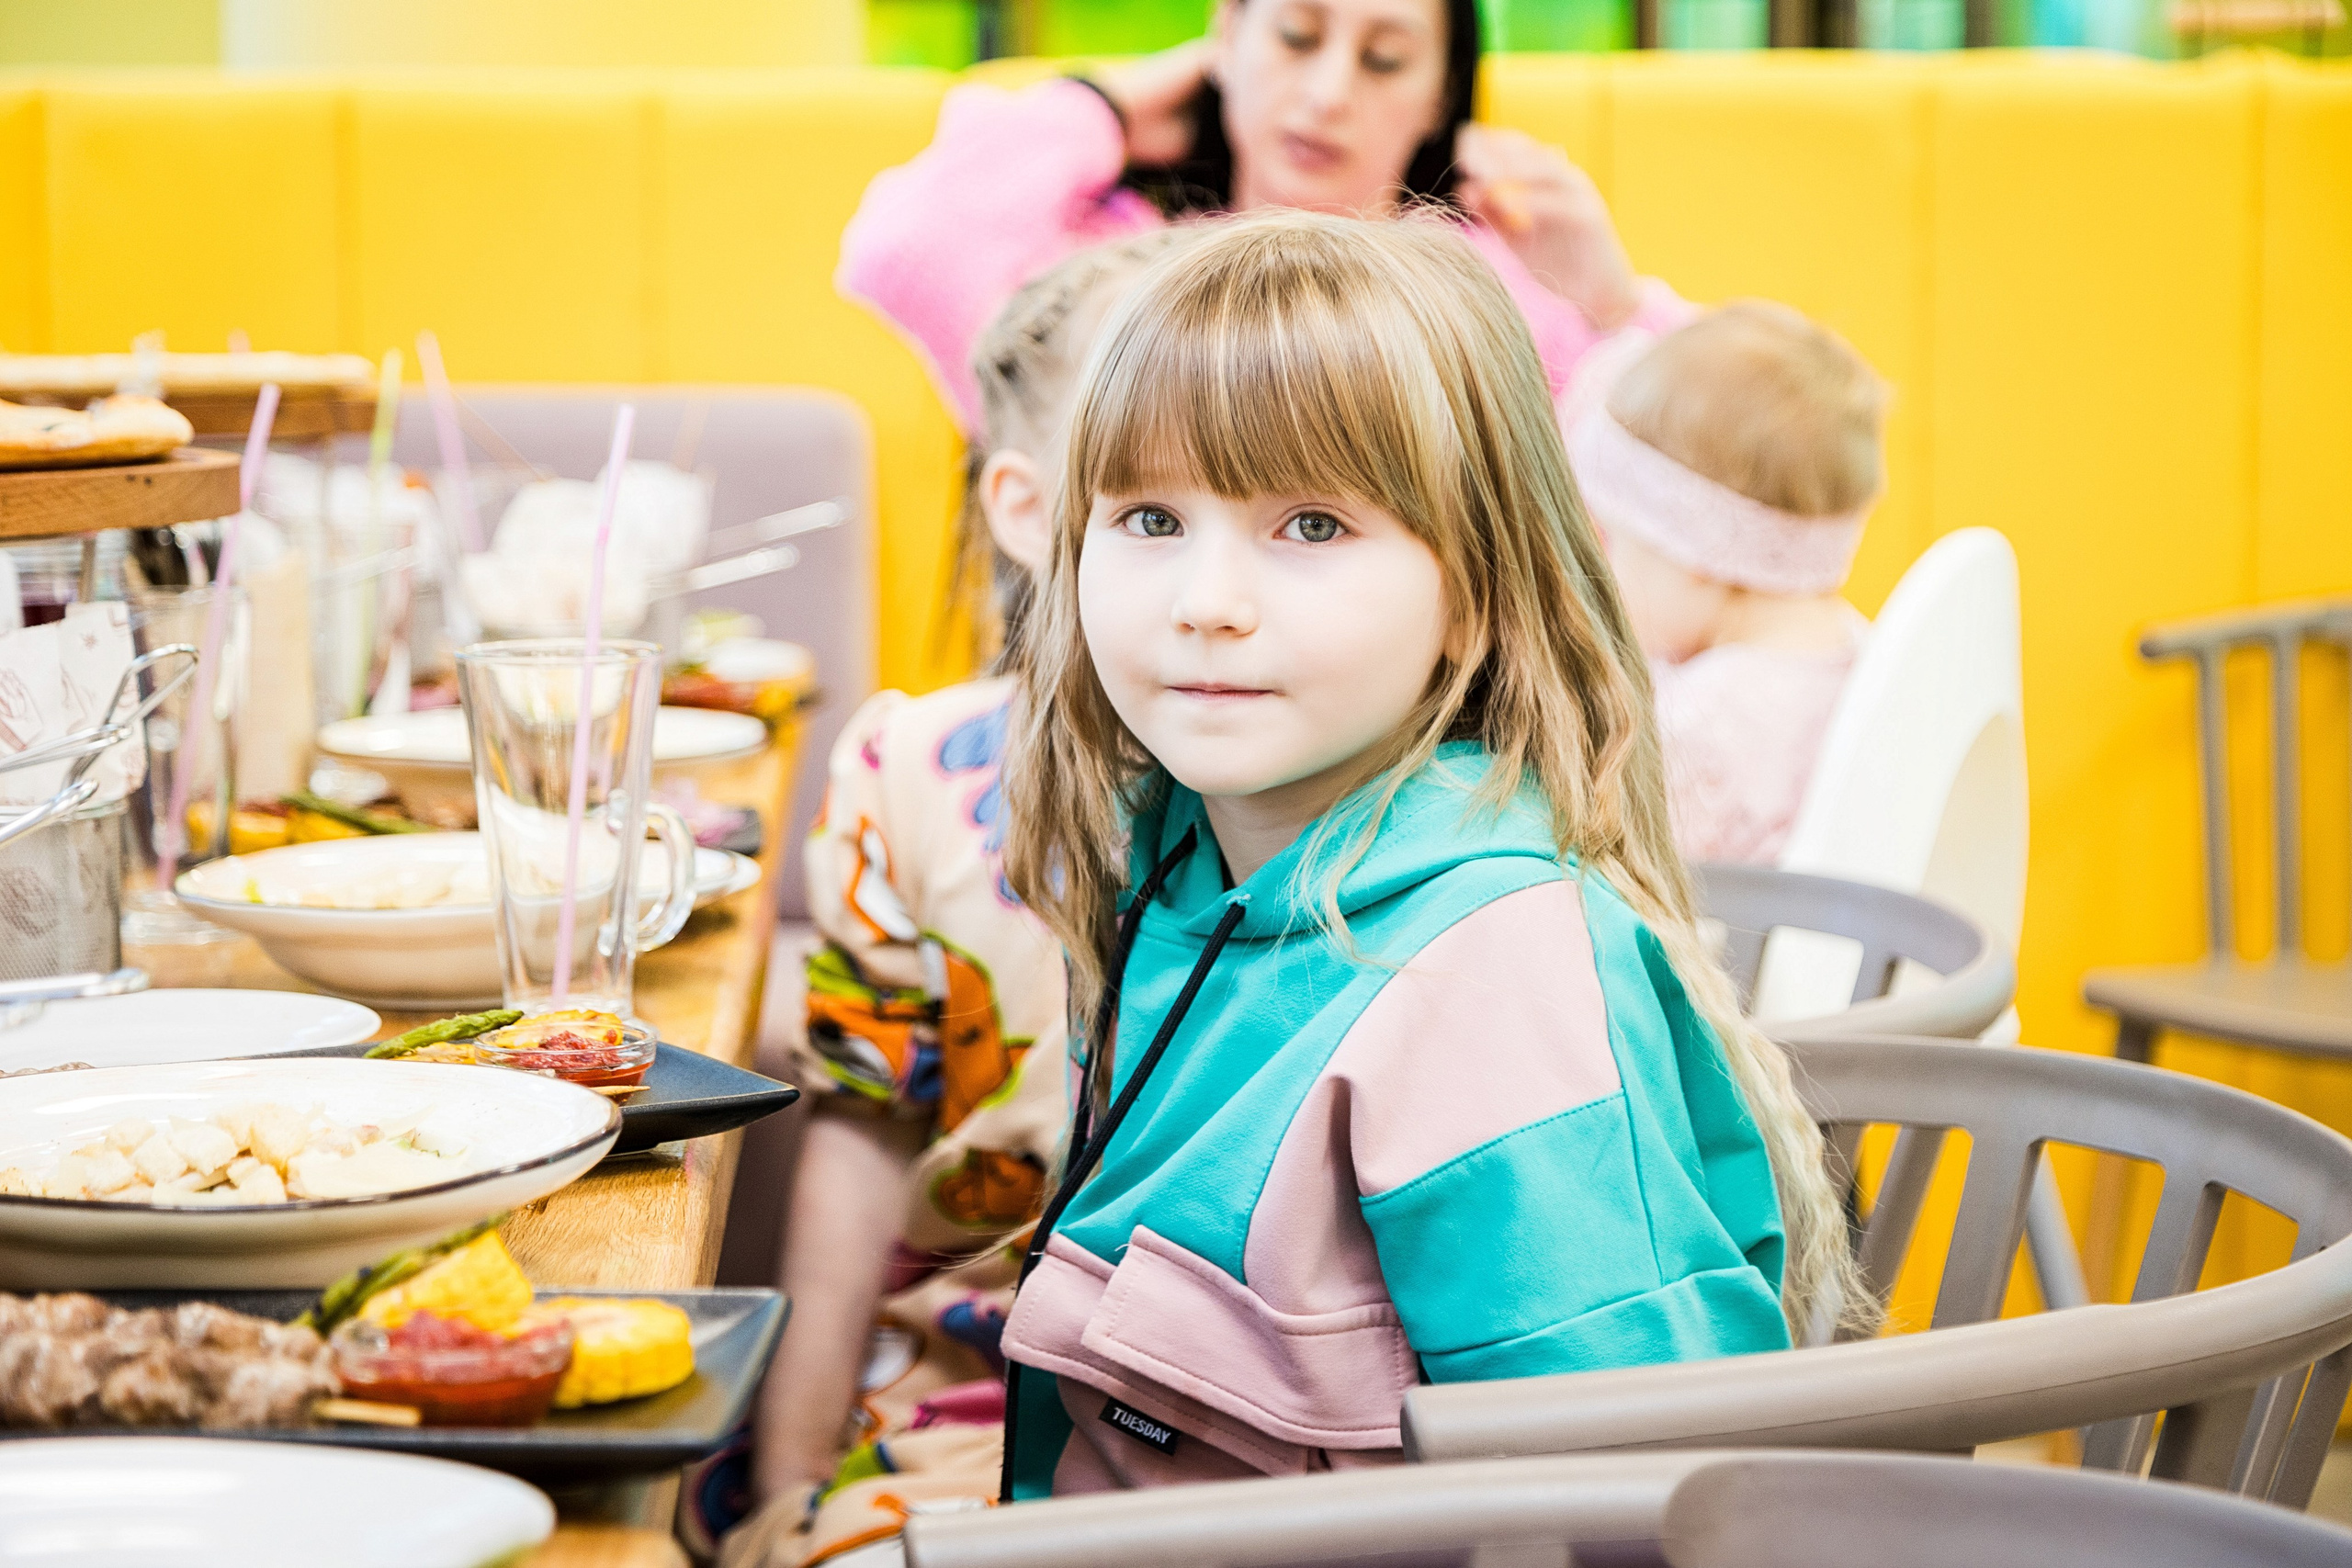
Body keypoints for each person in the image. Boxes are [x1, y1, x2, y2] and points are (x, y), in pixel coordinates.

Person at [993, 211, 1866, 1497]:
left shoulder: (1482, 988)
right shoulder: (1177, 856)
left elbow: (1637, 1501)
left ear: (1473, 583)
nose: (1206, 599)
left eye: (1311, 526)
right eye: (1149, 518)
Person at [738, 231, 1197, 1559]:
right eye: (1153, 501)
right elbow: (861, 1129)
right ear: (1025, 505)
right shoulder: (906, 769)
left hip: (1234, 1426)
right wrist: (796, 1451)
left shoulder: (1327, 774)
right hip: (957, 1399)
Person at [836, 0, 1689, 439]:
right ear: (1226, 37)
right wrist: (1102, 104)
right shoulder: (1112, 268)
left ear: (1439, 99)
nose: (1327, 95)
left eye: (1384, 60)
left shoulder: (1492, 294)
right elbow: (899, 252)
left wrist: (1614, 305)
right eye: (1293, 36)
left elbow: (1727, 475)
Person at [1569, 301, 1889, 866]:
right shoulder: (1861, 652)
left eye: (1620, 542)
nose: (1609, 572)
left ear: (1693, 547)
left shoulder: (1699, 731)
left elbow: (1608, 878)